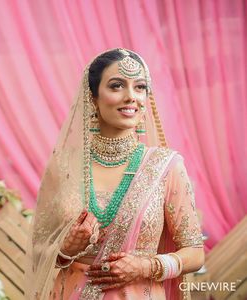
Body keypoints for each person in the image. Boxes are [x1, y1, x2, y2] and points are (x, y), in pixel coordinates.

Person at [25, 48, 205, 299]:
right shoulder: (65, 167)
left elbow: (195, 253)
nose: (132, 97)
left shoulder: (165, 166)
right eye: (117, 86)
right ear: (93, 97)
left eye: (140, 87)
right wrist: (66, 249)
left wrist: (146, 266)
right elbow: (39, 255)